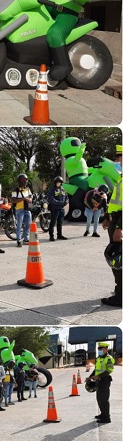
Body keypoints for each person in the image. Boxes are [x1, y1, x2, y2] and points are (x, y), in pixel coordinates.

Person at [102, 145, 122, 307]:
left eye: (118, 158)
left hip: (119, 223)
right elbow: (116, 203)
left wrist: (119, 227)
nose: (116, 162)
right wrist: (107, 218)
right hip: (114, 220)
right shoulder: (121, 179)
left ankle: (120, 296)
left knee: (117, 259)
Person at [88, 342, 115, 423]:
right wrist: (90, 377)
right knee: (99, 398)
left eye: (101, 349)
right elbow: (96, 370)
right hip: (98, 381)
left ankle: (107, 418)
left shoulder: (109, 358)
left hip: (105, 380)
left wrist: (98, 376)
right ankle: (103, 414)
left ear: (106, 349)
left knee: (104, 399)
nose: (99, 350)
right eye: (98, 349)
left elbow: (109, 370)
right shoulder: (99, 358)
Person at [11, 173, 33, 247]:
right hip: (19, 210)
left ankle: (26, 239)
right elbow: (13, 200)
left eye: (25, 179)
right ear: (19, 181)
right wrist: (23, 199)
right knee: (19, 226)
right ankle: (19, 240)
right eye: (22, 180)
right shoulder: (15, 190)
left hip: (27, 209)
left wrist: (30, 199)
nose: (24, 181)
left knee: (28, 225)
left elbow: (31, 196)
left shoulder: (28, 189)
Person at [47, 176, 69, 241]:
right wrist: (61, 203)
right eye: (57, 182)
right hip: (55, 208)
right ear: (55, 182)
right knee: (53, 222)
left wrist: (66, 202)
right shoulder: (52, 190)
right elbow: (52, 200)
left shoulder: (63, 190)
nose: (58, 183)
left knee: (60, 222)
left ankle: (59, 235)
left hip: (62, 209)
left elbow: (67, 197)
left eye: (60, 182)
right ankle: (51, 236)